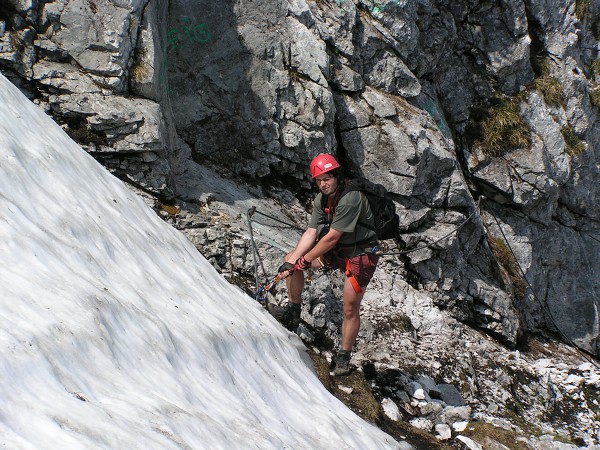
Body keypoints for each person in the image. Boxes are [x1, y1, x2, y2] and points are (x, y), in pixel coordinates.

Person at [270, 153, 380, 376]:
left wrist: (305, 260)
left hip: (360, 253)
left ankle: (343, 357)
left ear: (336, 176)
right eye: (319, 180)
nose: (323, 184)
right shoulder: (322, 199)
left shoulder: (351, 198)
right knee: (290, 261)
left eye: (327, 179)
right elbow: (311, 232)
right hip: (338, 251)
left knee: (349, 306)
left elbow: (331, 237)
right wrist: (293, 262)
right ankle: (293, 311)